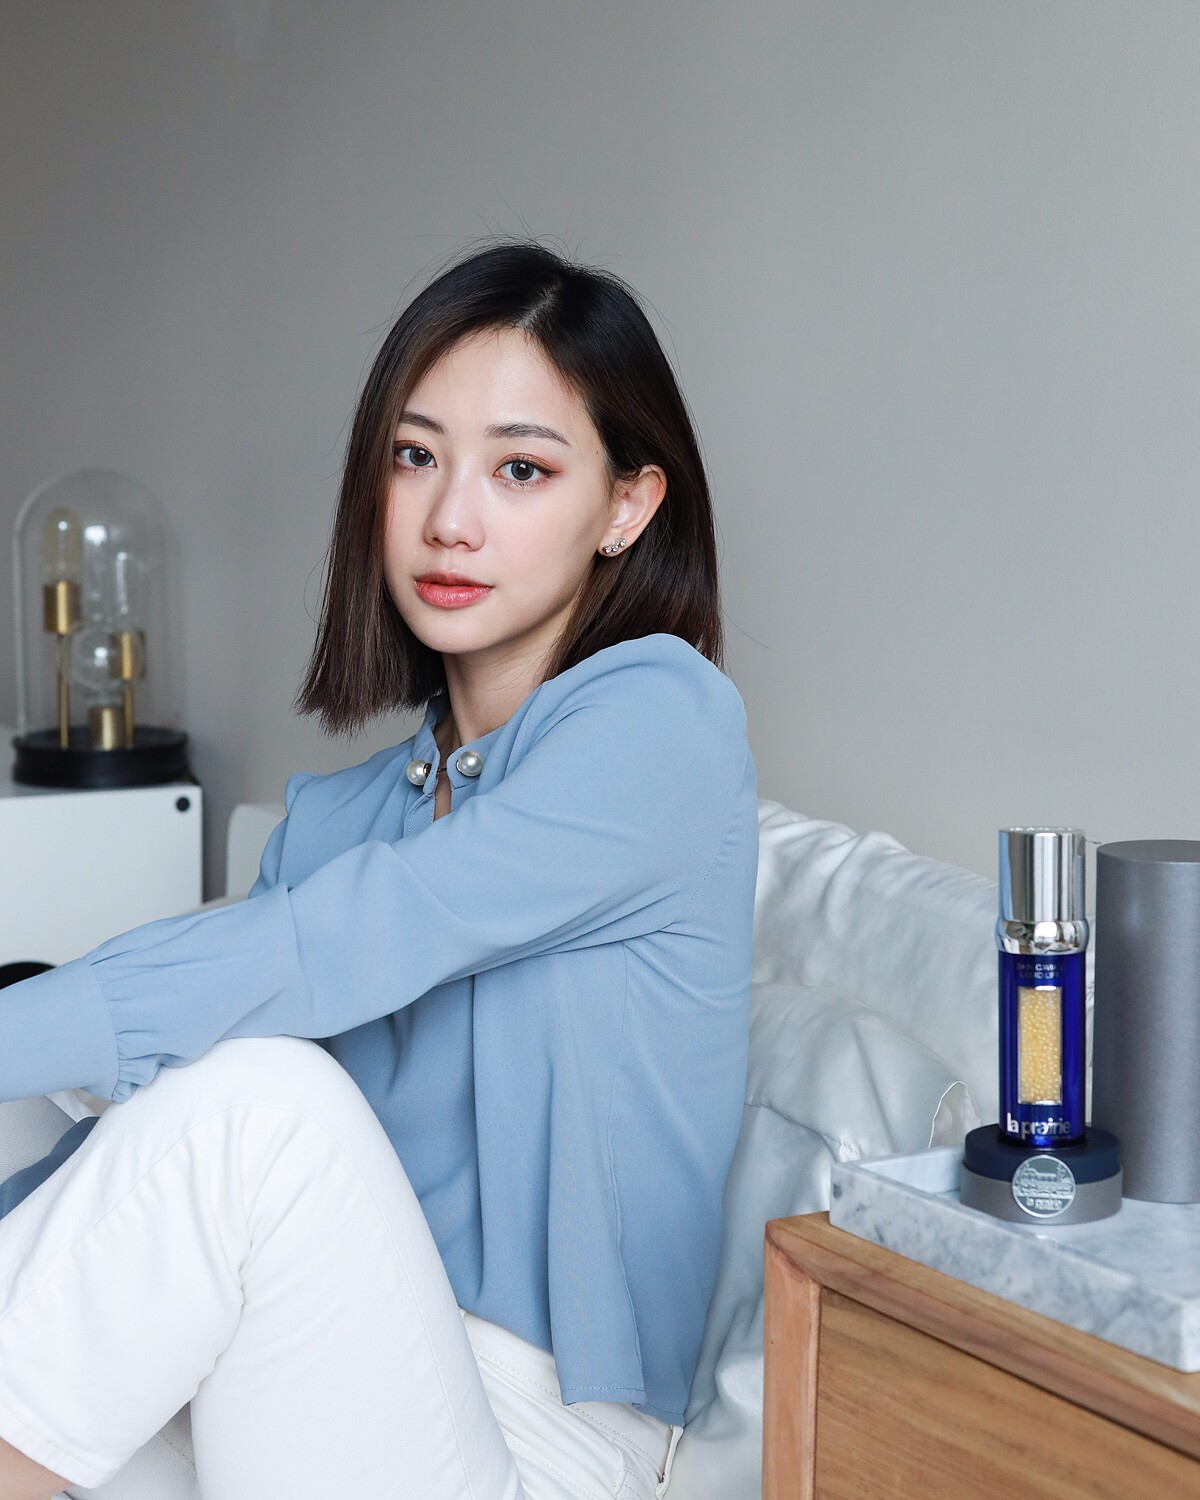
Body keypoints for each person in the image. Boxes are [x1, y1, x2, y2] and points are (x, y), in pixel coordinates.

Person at [0, 240, 759, 1500]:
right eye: (415, 457)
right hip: (283, 1377)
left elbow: (335, 949)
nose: (450, 519)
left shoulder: (662, 728)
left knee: (258, 1098)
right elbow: (144, 1147)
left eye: (521, 469)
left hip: (536, 1435)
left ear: (627, 507)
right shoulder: (341, 820)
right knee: (60, 1113)